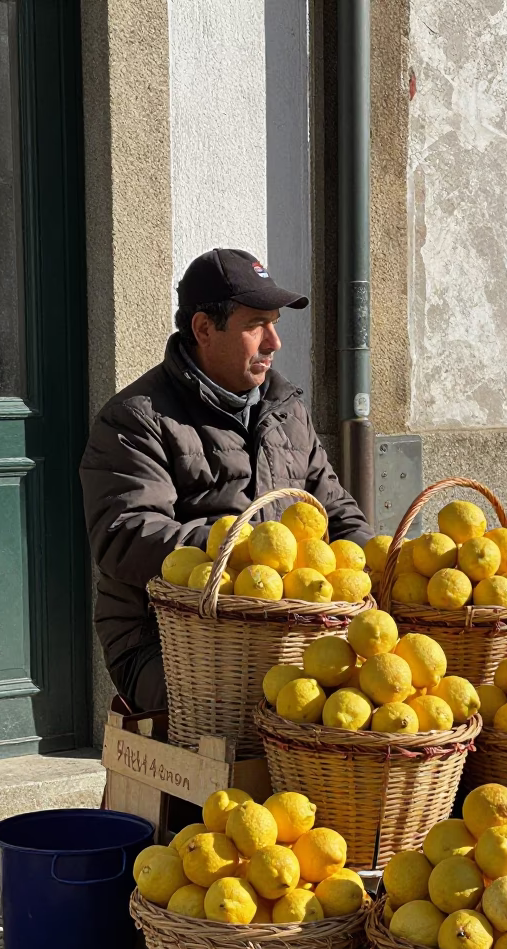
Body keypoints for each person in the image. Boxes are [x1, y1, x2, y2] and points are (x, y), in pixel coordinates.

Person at [80, 248, 371, 714]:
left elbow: (336, 511)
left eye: (274, 323)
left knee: (354, 722)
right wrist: (251, 551)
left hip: (286, 632)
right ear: (203, 329)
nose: (274, 342)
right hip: (165, 640)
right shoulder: (136, 419)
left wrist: (371, 566)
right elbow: (125, 535)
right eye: (257, 324)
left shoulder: (286, 408)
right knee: (261, 716)